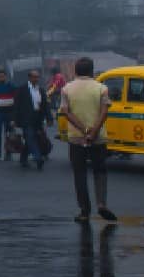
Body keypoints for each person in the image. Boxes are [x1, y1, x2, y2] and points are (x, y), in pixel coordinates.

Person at [59, 57, 117, 223]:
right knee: (100, 171)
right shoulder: (101, 88)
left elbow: (66, 112)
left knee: (80, 174)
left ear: (76, 71)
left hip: (76, 139)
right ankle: (101, 203)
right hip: (98, 138)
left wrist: (84, 130)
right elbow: (105, 112)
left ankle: (84, 211)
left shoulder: (66, 89)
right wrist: (93, 132)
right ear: (91, 71)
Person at [12, 69, 49, 170]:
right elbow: (16, 105)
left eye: (37, 77)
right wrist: (14, 119)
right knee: (30, 137)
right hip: (26, 118)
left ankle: (23, 159)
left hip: (38, 118)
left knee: (32, 139)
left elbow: (45, 105)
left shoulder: (41, 90)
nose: (36, 79)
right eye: (34, 77)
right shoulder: (22, 89)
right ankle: (38, 158)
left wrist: (49, 117)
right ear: (29, 78)